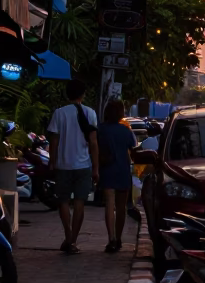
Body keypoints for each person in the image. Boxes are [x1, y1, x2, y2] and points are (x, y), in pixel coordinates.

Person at [46, 79, 99, 254]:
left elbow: (53, 142)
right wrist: (96, 168)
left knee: (63, 201)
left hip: (63, 165)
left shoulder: (59, 113)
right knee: (79, 202)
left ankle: (68, 236)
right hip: (84, 165)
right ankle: (73, 240)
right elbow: (93, 143)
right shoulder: (90, 113)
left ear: (67, 94)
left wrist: (52, 162)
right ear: (83, 94)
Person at [97, 101, 138, 252]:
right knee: (121, 207)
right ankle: (119, 238)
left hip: (107, 169)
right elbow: (133, 151)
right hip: (122, 170)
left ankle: (111, 239)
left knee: (109, 204)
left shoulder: (100, 130)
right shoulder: (125, 130)